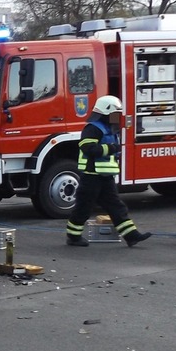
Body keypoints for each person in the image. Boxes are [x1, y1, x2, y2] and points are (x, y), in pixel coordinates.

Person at [66, 95, 152, 248]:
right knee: (84, 207)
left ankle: (131, 235)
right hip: (91, 176)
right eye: (115, 114)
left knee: (116, 206)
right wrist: (110, 149)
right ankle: (73, 236)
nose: (117, 118)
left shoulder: (109, 130)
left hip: (105, 177)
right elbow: (87, 148)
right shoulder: (93, 128)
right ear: (105, 113)